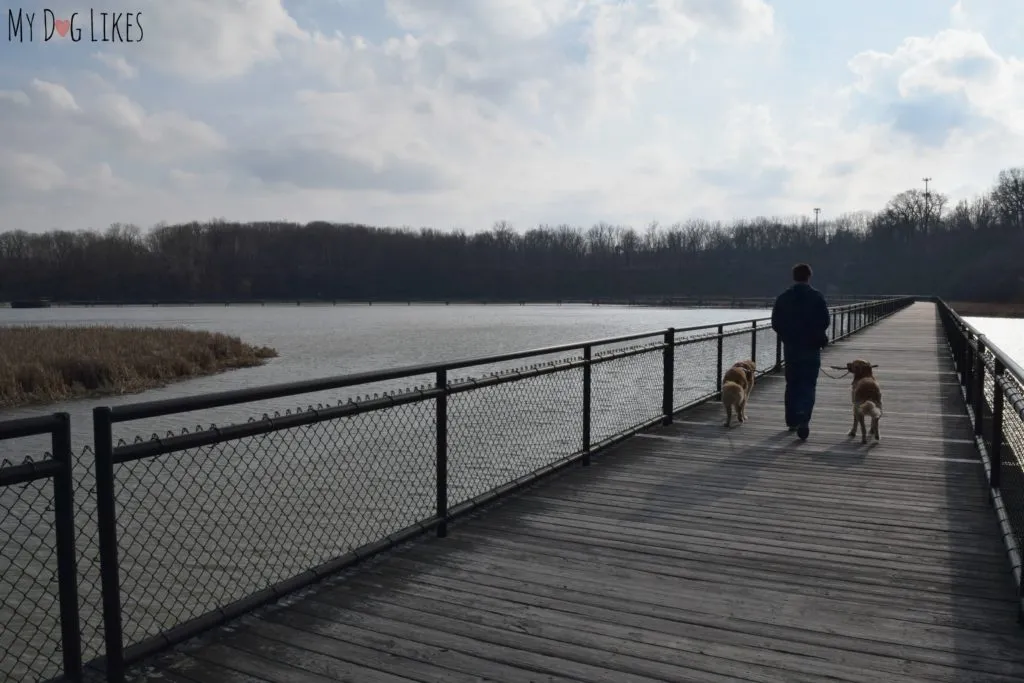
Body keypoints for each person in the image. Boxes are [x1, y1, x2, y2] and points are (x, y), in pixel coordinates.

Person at [770, 263, 830, 440]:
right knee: (808, 384)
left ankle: (791, 420)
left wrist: (787, 336)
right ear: (809, 277)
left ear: (794, 277)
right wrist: (817, 334)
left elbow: (775, 322)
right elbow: (825, 321)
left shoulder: (783, 297)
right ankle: (804, 418)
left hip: (791, 348)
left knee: (792, 384)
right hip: (811, 348)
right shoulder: (817, 297)